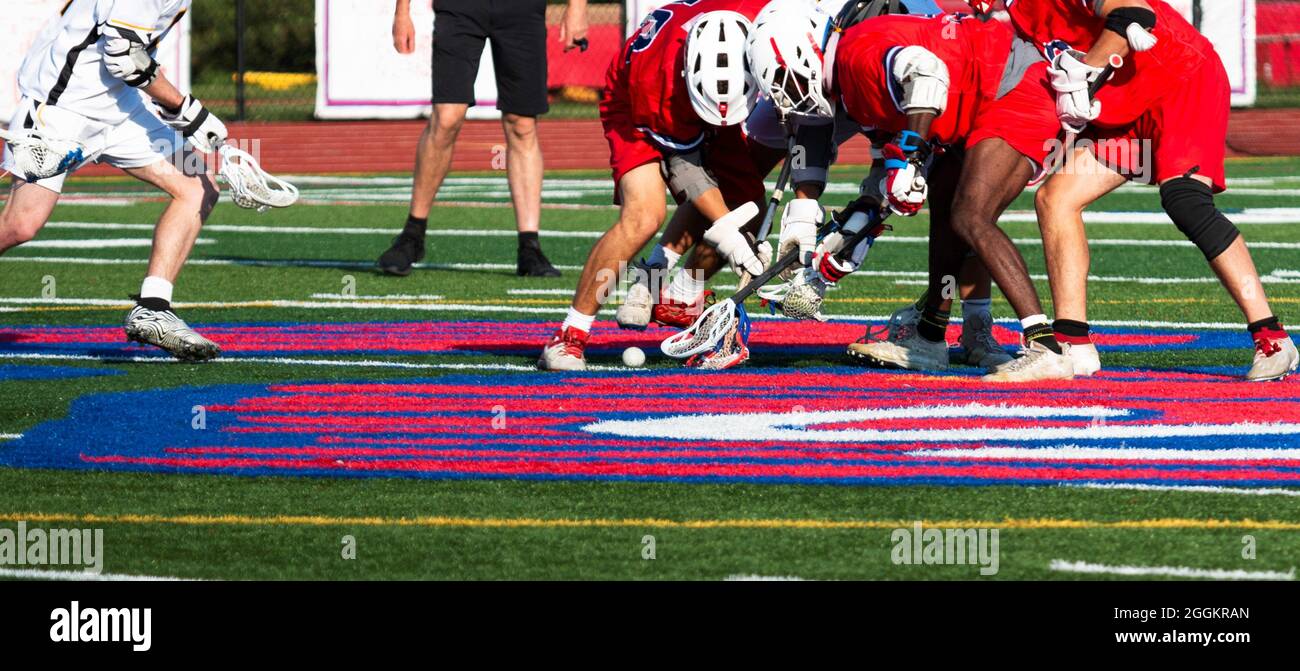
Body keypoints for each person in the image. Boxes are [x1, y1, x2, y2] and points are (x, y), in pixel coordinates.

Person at [750, 10, 1075, 381]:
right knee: (948, 208)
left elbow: (927, 70)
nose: (787, 95)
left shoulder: (855, 52)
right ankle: (929, 337)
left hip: (1012, 87)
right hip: (982, 101)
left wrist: (912, 153)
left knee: (971, 216)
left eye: (783, 79)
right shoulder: (847, 85)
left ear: (804, 48)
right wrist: (855, 227)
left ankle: (1044, 346)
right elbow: (883, 172)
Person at [985, 0, 1299, 381]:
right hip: (1125, 101)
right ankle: (1074, 342)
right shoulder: (1016, 10)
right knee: (1056, 199)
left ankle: (1272, 338)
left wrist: (1084, 72)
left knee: (1186, 201)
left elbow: (1134, 13)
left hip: (1180, 80)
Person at [539, 1, 776, 371]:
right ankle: (571, 333)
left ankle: (676, 293)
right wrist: (729, 237)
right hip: (635, 106)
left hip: (710, 94)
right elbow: (688, 173)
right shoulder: (658, 86)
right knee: (644, 216)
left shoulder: (761, 16)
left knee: (750, 206)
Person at [0, 0, 225, 361]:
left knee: (198, 187)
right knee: (20, 225)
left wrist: (175, 109)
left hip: (119, 109)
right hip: (61, 108)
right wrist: (189, 110)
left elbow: (136, 53)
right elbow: (123, 57)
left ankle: (153, 309)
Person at [378, 0, 590, 278]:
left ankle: (530, 246)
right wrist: (402, 12)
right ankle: (412, 234)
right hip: (461, 7)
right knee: (446, 118)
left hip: (521, 10)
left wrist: (577, 7)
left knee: (522, 124)